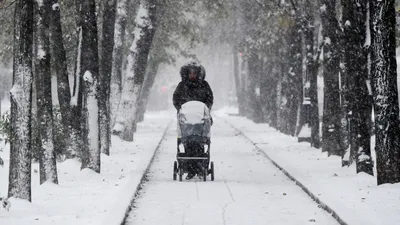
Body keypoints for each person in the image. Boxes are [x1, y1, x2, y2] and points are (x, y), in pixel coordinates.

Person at [173, 61, 214, 180]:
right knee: (188, 143)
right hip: (187, 119)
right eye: (190, 73)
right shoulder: (182, 86)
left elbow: (209, 98)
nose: (192, 75)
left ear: (198, 74)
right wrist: (180, 108)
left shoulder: (204, 85)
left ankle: (200, 168)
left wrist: (206, 109)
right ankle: (190, 169)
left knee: (200, 143)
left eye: (194, 73)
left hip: (200, 119)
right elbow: (176, 99)